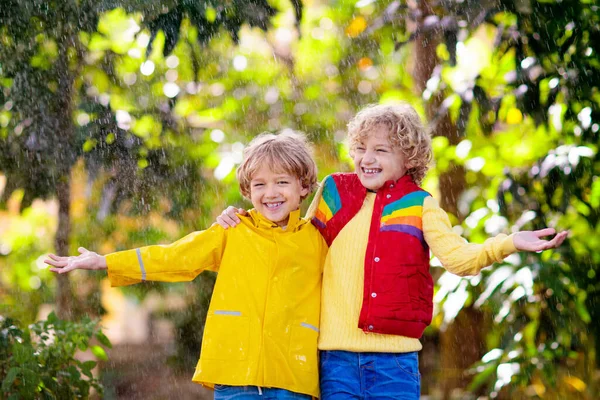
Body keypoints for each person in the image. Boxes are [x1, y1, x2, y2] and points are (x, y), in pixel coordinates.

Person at [216, 103, 568, 399]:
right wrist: (244, 219)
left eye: (381, 150)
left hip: (394, 362)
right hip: (334, 359)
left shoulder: (420, 206)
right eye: (361, 148)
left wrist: (509, 242)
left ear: (408, 158)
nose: (366, 158)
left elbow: (459, 260)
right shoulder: (335, 192)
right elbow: (294, 244)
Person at [45, 131, 328, 399]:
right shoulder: (233, 231)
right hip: (235, 372)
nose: (270, 193)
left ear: (303, 186)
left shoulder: (318, 240)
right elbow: (175, 256)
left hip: (293, 375)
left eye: (282, 182)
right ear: (247, 189)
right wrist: (105, 261)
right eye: (259, 184)